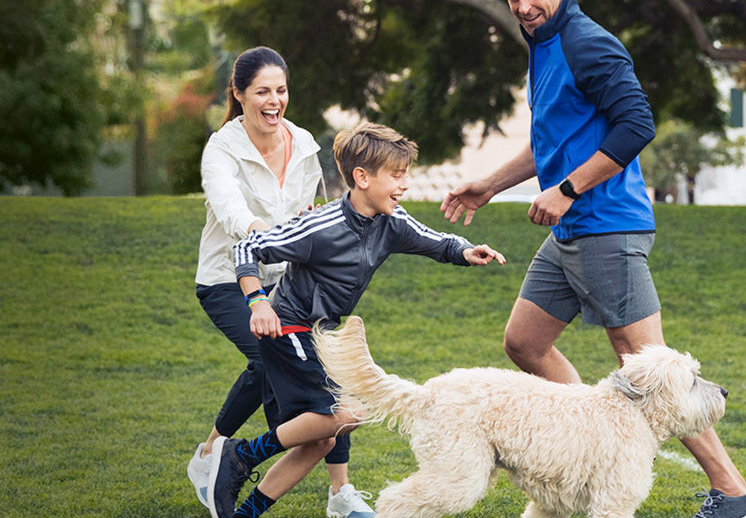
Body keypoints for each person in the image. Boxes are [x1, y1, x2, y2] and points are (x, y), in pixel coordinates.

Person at [440, 0, 746, 517]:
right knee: (524, 343)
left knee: (644, 363)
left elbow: (637, 125)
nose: (523, 7)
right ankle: (583, 443)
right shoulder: (541, 42)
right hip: (574, 226)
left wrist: (567, 190)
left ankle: (731, 491)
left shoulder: (587, 42)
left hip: (608, 224)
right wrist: (490, 182)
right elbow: (552, 139)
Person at [206, 122, 507, 518]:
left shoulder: (392, 221)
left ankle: (243, 513)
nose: (404, 185)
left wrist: (466, 251)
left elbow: (435, 240)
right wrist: (258, 301)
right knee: (349, 414)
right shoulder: (321, 225)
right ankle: (241, 454)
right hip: (288, 327)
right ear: (362, 177)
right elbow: (248, 246)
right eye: (396, 175)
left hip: (320, 331)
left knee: (322, 441)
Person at [188, 46, 376, 518]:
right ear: (238, 94)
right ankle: (215, 454)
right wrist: (267, 235)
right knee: (264, 356)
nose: (274, 101)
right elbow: (233, 213)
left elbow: (313, 210)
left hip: (290, 285)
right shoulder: (221, 149)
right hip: (230, 278)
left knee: (326, 379)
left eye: (281, 90)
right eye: (262, 92)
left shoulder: (304, 142)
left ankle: (340, 495)